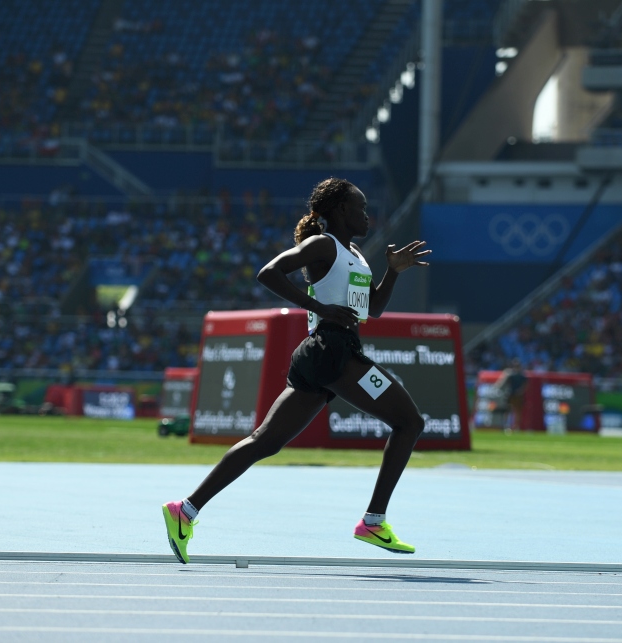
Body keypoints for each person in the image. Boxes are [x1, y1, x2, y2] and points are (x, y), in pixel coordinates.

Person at [161, 177, 431, 563]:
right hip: (333, 353)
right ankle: (373, 521)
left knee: (265, 441)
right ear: (341, 210)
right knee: (409, 422)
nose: (367, 215)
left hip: (325, 356)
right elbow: (269, 272)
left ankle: (184, 510)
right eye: (360, 207)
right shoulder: (323, 245)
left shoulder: (355, 254)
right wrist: (319, 308)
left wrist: (394, 271)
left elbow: (372, 309)